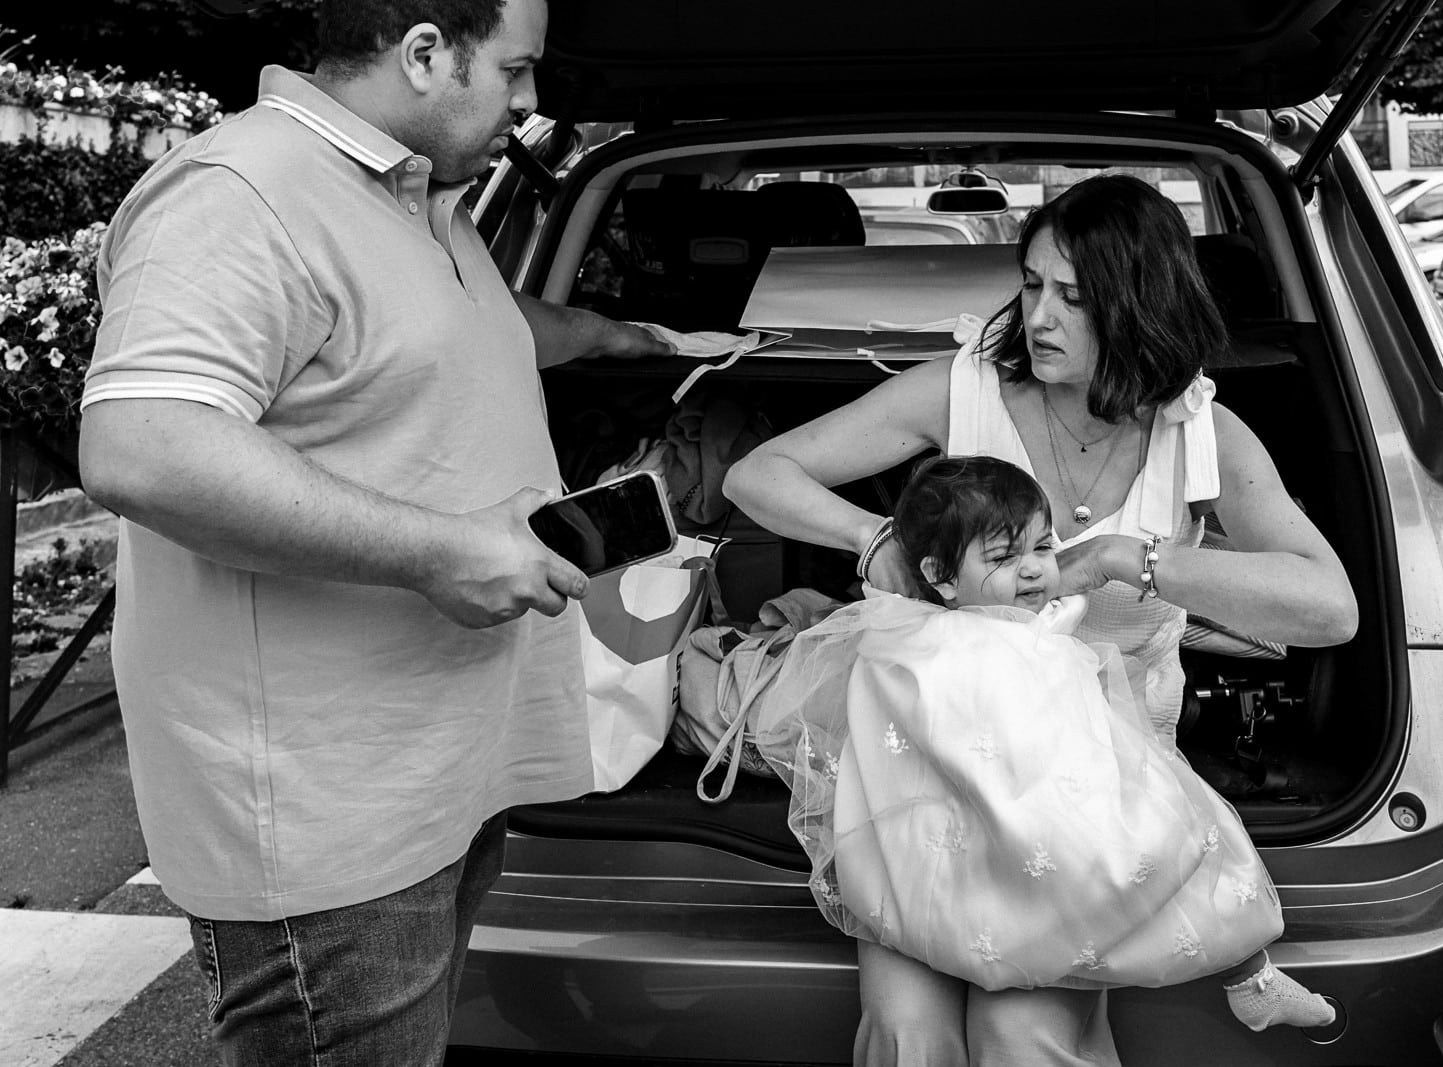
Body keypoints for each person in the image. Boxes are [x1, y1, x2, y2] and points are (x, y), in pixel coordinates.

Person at [77, 0, 668, 1062]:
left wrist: (623, 335)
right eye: (517, 71)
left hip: (435, 777)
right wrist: (442, 548)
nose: (533, 102)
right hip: (327, 829)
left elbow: (447, 326)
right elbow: (144, 443)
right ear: (426, 53)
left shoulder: (410, 194)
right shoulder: (242, 191)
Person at [724, 173, 1358, 1064]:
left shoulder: (1202, 433)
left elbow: (1329, 607)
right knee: (910, 1031)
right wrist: (878, 542)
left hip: (1096, 798)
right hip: (930, 776)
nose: (1038, 316)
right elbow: (756, 475)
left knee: (1024, 1038)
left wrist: (1129, 559)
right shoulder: (965, 390)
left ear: (1138, 305)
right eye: (1030, 284)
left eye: (1073, 295)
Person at [755, 457, 1334, 1055]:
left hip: (1044, 813)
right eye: (1004, 558)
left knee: (1179, 828)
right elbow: (940, 754)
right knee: (1163, 844)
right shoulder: (918, 647)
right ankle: (1247, 972)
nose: (1033, 568)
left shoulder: (1045, 628)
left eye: (1043, 545)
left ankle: (1248, 972)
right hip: (964, 839)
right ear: (941, 576)